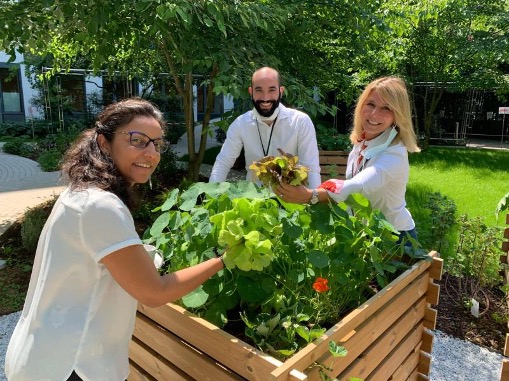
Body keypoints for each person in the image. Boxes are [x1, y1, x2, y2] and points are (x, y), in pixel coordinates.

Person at [5, 98, 225, 381]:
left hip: (43, 354)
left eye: (157, 144)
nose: (151, 153)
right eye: (138, 140)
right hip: (72, 366)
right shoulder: (101, 205)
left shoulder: (81, 192)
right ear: (104, 143)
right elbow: (154, 293)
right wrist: (222, 260)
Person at [275, 76, 420, 242]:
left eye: (386, 108)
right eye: (370, 104)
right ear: (361, 106)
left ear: (397, 116)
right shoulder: (363, 142)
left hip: (396, 239)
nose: (374, 114)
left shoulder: (394, 154)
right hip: (366, 234)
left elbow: (358, 186)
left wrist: (310, 195)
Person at [209, 66, 322, 188]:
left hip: (292, 200)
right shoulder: (240, 123)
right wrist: (211, 197)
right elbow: (223, 162)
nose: (265, 97)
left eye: (271, 90)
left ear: (281, 91)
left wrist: (314, 200)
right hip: (253, 201)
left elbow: (311, 168)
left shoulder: (300, 122)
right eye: (259, 90)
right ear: (251, 92)